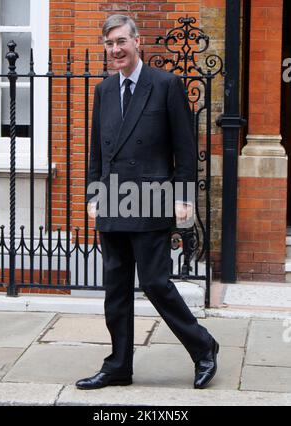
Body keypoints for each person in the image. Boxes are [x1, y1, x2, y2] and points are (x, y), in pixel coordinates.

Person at [76, 14, 219, 390]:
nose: (116, 50)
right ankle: (118, 365)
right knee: (116, 288)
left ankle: (204, 347)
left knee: (156, 283)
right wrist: (94, 193)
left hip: (152, 199)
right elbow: (97, 151)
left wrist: (183, 197)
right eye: (109, 44)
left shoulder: (166, 84)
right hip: (113, 201)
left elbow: (185, 150)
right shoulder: (104, 91)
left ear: (138, 42)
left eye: (121, 41)